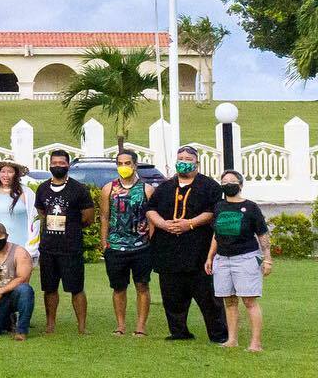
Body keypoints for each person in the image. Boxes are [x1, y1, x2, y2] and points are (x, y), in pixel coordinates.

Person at [145, 146, 227, 343]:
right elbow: (150, 209)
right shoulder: (165, 187)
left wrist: (188, 224)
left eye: (188, 158)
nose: (184, 160)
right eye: (180, 157)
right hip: (169, 251)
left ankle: (218, 334)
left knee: (208, 297)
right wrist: (163, 224)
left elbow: (212, 212)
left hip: (199, 252)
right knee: (172, 296)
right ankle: (179, 331)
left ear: (196, 162)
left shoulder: (209, 187)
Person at [205, 170, 272, 351]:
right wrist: (210, 257)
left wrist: (267, 259)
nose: (228, 184)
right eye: (224, 181)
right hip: (222, 259)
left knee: (249, 301)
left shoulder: (251, 207)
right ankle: (232, 340)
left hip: (246, 258)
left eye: (232, 181)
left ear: (240, 185)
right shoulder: (219, 206)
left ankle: (256, 343)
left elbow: (262, 234)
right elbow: (216, 234)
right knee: (229, 301)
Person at [34, 149, 94, 335]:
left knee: (76, 288)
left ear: (68, 165)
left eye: (62, 163)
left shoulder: (78, 189)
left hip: (71, 247)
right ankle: (50, 325)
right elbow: (42, 211)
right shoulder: (42, 188)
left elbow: (88, 218)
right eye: (55, 163)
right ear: (49, 165)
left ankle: (82, 326)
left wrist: (71, 228)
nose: (58, 166)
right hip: (48, 248)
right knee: (49, 289)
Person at [100, 149, 155, 337]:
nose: (124, 167)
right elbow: (105, 217)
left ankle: (141, 326)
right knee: (118, 287)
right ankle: (120, 325)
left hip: (141, 246)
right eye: (120, 163)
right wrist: (104, 241)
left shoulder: (146, 189)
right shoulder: (109, 189)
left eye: (127, 163)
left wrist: (151, 241)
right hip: (115, 247)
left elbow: (151, 218)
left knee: (142, 286)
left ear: (135, 165)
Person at [0, 161, 34, 254]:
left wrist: (32, 246)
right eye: (3, 171)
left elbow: (35, 220)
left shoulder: (26, 192)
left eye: (10, 172)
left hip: (21, 247)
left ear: (16, 174)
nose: (6, 175)